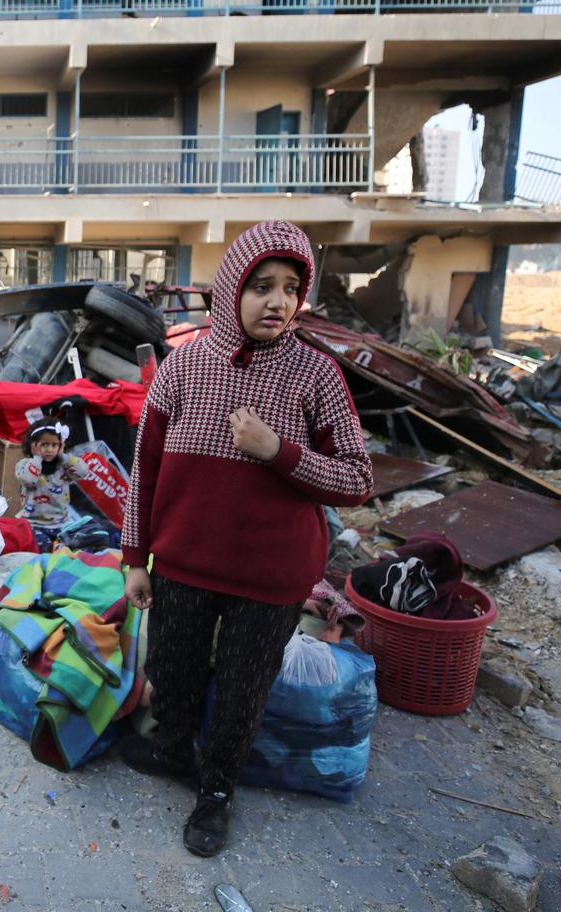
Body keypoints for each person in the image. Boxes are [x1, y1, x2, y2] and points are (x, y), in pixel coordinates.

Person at [119, 219, 372, 858]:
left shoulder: (316, 376)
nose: (278, 301)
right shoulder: (182, 369)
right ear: (233, 287)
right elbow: (144, 470)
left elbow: (357, 477)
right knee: (171, 672)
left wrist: (278, 451)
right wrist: (133, 557)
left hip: (270, 579)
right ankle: (174, 752)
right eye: (262, 285)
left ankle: (218, 792)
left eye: (291, 287)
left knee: (240, 693)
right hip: (181, 564)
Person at [14, 417, 91, 549]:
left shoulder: (64, 466)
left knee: (75, 546)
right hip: (32, 523)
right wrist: (37, 458)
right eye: (44, 445)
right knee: (43, 546)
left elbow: (83, 471)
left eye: (54, 445)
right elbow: (29, 480)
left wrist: (63, 456)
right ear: (33, 445)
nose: (50, 450)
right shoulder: (25, 465)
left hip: (61, 523)